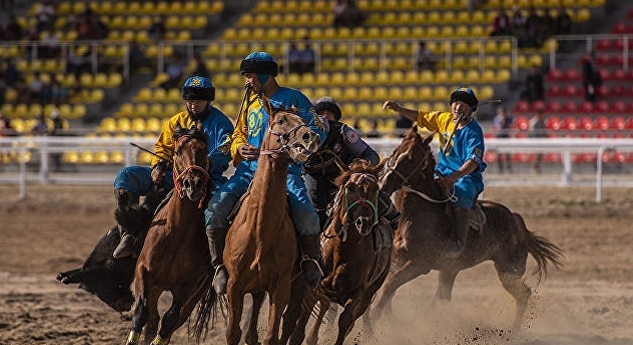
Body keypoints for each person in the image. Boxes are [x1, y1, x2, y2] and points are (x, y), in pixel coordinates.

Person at [205, 52, 329, 292]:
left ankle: (310, 262)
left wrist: (302, 131)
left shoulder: (296, 98)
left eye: (250, 76)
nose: (247, 81)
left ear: (264, 75)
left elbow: (318, 128)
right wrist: (238, 147)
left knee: (308, 216)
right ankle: (219, 265)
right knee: (215, 209)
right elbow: (237, 135)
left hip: (287, 174)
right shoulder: (249, 103)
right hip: (247, 172)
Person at [111, 76, 234, 259]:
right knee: (126, 176)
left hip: (207, 178)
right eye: (190, 101)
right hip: (173, 176)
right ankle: (129, 235)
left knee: (225, 205)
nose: (193, 105)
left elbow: (226, 148)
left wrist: (202, 163)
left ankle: (220, 258)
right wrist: (158, 166)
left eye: (198, 101)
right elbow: (163, 148)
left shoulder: (222, 123)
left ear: (208, 100)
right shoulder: (176, 121)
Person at [382, 87, 487, 259]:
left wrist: (454, 177)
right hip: (440, 171)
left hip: (465, 177)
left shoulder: (474, 132)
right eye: (455, 103)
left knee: (461, 194)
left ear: (470, 108)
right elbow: (420, 117)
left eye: (462, 104)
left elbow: (474, 161)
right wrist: (399, 109)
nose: (457, 108)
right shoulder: (444, 119)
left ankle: (457, 241)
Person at [304, 96, 399, 229]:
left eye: (328, 113)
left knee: (371, 193)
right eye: (320, 114)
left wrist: (356, 169)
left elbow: (371, 155)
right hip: (314, 176)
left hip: (344, 174)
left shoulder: (344, 131)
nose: (324, 116)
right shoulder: (304, 132)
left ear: (335, 117)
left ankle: (394, 219)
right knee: (311, 208)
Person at [492, 106, 513, 173]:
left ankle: (509, 168)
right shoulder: (496, 119)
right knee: (499, 154)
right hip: (499, 137)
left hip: (506, 136)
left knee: (507, 153)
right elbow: (498, 128)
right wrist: (502, 121)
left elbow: (511, 125)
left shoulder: (508, 118)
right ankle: (500, 169)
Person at [529, 108, 547, 174]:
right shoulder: (533, 121)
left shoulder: (542, 121)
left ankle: (536, 167)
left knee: (540, 155)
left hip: (541, 140)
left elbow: (544, 131)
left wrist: (545, 137)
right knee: (537, 155)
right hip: (535, 140)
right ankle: (535, 168)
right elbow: (531, 132)